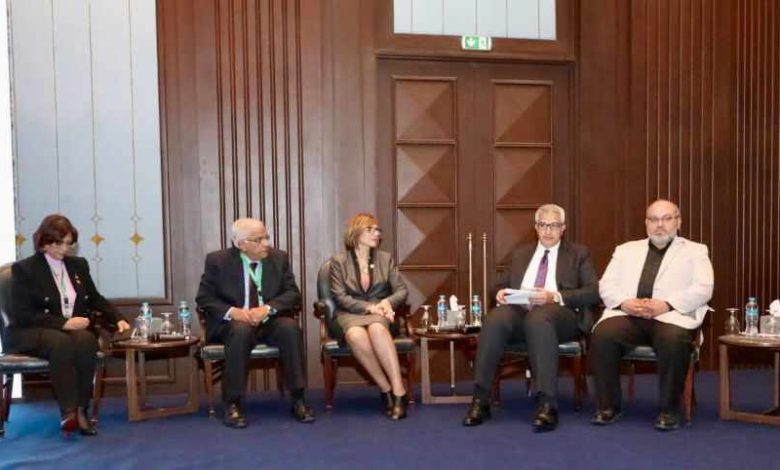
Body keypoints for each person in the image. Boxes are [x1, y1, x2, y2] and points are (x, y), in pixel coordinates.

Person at [462, 204, 600, 432]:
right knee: (495, 319)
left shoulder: (578, 254)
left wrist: (554, 296)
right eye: (543, 225)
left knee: (539, 318)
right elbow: (497, 285)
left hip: (561, 314)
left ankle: (547, 404)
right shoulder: (522, 254)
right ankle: (480, 399)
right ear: (536, 228)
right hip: (521, 310)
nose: (548, 231)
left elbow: (593, 291)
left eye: (554, 225)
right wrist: (499, 293)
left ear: (563, 228)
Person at [590, 199, 713, 431]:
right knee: (603, 335)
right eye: (654, 220)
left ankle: (669, 411)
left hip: (671, 316)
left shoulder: (696, 251)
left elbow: (704, 288)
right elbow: (606, 285)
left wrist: (667, 304)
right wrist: (625, 303)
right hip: (630, 315)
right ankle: (608, 407)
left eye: (667, 219)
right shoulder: (625, 250)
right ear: (646, 223)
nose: (660, 225)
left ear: (678, 222)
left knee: (673, 340)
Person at [7, 214, 130, 436]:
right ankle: (68, 412)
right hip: (29, 331)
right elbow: (22, 314)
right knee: (60, 342)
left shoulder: (78, 266)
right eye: (58, 243)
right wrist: (64, 323)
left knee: (86, 340)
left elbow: (95, 298)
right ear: (44, 241)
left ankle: (82, 410)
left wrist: (117, 318)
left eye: (68, 243)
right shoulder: (25, 269)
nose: (64, 249)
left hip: (68, 331)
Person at [196, 218, 314, 428]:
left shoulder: (278, 258)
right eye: (259, 240)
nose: (266, 243)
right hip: (234, 323)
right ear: (241, 244)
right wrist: (233, 312)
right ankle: (232, 403)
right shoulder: (217, 261)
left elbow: (292, 294)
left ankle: (299, 399)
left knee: (290, 328)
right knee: (240, 331)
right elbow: (204, 298)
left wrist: (267, 309)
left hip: (268, 320)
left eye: (266, 237)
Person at [328, 213, 409, 420]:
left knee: (377, 329)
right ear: (355, 233)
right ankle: (385, 389)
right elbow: (340, 297)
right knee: (355, 335)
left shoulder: (385, 259)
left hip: (381, 314)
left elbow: (401, 291)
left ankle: (399, 391)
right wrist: (370, 307)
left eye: (377, 230)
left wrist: (387, 302)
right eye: (370, 229)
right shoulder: (339, 262)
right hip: (349, 314)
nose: (376, 233)